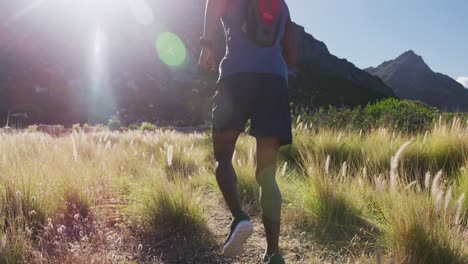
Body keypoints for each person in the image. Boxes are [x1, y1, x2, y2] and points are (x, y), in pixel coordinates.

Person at [199, 0, 296, 263]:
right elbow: (292, 54)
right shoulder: (282, 5)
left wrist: (207, 44)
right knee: (267, 175)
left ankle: (239, 217)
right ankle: (273, 254)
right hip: (275, 82)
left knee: (223, 156)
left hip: (236, 78)